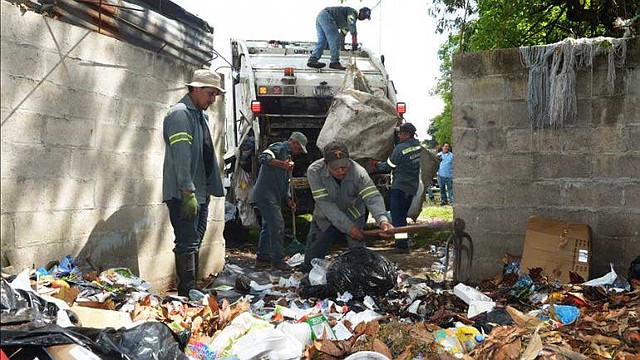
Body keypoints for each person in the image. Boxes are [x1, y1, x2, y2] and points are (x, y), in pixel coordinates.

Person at [162, 69, 225, 297]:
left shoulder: (199, 116)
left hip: (199, 192)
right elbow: (181, 156)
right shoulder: (180, 115)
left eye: (215, 95)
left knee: (195, 241)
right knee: (187, 242)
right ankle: (187, 292)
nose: (212, 100)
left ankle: (192, 290)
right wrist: (187, 191)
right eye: (210, 94)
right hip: (184, 193)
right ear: (195, 89)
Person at [302, 141, 393, 271]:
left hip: (353, 214)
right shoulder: (314, 171)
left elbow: (372, 196)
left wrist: (382, 220)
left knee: (359, 253)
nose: (340, 171)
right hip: (325, 216)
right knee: (314, 250)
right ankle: (307, 275)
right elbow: (326, 204)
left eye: (344, 167)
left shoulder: (359, 172)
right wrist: (349, 227)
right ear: (326, 164)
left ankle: (361, 276)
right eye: (336, 168)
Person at [249, 131, 309, 270]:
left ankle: (262, 258)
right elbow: (263, 157)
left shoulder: (288, 156)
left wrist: (288, 199)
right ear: (293, 142)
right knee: (277, 224)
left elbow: (284, 181)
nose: (299, 151)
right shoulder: (279, 147)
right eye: (298, 148)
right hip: (265, 194)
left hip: (273, 196)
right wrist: (282, 164)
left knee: (268, 227)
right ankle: (277, 260)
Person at [371, 123, 422, 250]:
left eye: (400, 133)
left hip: (400, 186)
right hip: (411, 186)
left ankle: (403, 245)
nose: (398, 135)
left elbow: (388, 166)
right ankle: (401, 241)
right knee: (402, 216)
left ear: (407, 134)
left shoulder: (400, 149)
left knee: (397, 216)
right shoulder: (417, 146)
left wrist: (376, 165)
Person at [307, 6, 372, 70]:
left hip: (321, 16)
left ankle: (313, 59)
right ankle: (334, 62)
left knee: (323, 41)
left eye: (366, 17)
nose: (364, 18)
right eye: (364, 15)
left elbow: (342, 35)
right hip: (327, 16)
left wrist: (342, 47)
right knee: (335, 38)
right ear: (360, 11)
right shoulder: (352, 12)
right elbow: (351, 24)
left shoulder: (347, 24)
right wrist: (354, 42)